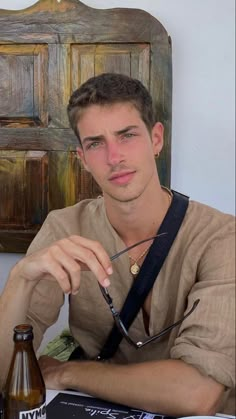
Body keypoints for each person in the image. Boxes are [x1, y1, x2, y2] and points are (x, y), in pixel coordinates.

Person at [0, 73, 235, 416]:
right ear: (82, 157)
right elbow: (8, 369)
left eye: (127, 136)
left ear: (156, 139)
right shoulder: (65, 227)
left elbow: (197, 394)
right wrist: (21, 276)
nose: (114, 157)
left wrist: (68, 371)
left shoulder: (220, 235)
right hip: (96, 407)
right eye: (96, 143)